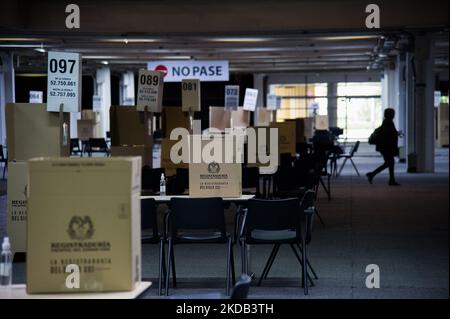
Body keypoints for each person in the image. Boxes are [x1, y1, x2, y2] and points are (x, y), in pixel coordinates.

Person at [366, 108, 400, 186]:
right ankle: (372, 174)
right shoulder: (388, 123)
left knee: (390, 163)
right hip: (387, 148)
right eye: (392, 113)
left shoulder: (387, 122)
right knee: (389, 163)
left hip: (385, 147)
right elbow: (388, 136)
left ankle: (391, 180)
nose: (394, 115)